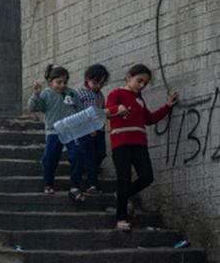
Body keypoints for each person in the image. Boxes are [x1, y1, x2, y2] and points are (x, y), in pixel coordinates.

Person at [106, 63, 178, 232]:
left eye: (145, 83)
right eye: (139, 81)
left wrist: (167, 106)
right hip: (121, 143)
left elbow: (149, 119)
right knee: (123, 179)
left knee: (147, 177)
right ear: (129, 77)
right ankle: (121, 219)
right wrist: (118, 109)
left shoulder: (140, 99)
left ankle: (122, 197)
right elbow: (107, 111)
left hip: (139, 144)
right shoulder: (116, 93)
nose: (142, 85)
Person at [28, 64, 85, 200]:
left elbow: (81, 110)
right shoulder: (46, 94)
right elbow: (33, 107)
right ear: (50, 82)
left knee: (77, 154)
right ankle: (48, 184)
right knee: (50, 158)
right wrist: (35, 95)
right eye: (58, 82)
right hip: (53, 131)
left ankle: (74, 186)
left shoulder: (72, 93)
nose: (62, 85)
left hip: (71, 131)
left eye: (64, 82)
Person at [75, 64, 115, 194]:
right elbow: (75, 112)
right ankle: (92, 184)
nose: (98, 86)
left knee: (101, 153)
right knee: (90, 156)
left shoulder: (100, 95)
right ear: (87, 79)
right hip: (85, 130)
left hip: (99, 130)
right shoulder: (79, 93)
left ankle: (87, 170)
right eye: (95, 82)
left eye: (102, 84)